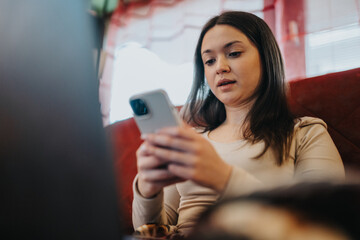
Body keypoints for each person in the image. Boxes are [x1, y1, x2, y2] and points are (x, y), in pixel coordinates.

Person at [132, 11, 345, 237]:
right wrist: (146, 190)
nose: (219, 67)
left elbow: (327, 224)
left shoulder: (303, 132)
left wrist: (224, 178)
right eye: (209, 60)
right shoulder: (193, 141)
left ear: (266, 57)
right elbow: (150, 232)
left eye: (233, 53)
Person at [187, 182, 360, 240]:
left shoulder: (305, 129)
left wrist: (226, 177)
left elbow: (326, 200)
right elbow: (164, 222)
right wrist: (158, 191)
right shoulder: (196, 136)